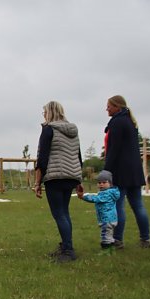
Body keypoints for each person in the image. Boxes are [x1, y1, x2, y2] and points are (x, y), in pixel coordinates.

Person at [34, 101, 83, 263]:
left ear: (50, 112)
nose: (43, 115)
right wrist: (79, 179)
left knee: (59, 213)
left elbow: (42, 158)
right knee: (64, 212)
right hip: (71, 175)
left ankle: (68, 251)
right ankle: (66, 246)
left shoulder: (49, 129)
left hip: (55, 176)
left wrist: (37, 183)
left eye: (44, 112)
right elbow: (78, 156)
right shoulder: (73, 130)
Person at [103, 95, 150, 249]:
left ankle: (117, 240)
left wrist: (106, 170)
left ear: (118, 107)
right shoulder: (130, 122)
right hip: (134, 170)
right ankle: (145, 239)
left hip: (121, 171)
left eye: (109, 106)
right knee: (138, 205)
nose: (107, 109)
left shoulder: (117, 122)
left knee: (118, 205)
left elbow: (114, 149)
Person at [77, 170, 119, 254]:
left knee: (105, 236)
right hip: (112, 218)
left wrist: (83, 197)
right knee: (109, 235)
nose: (101, 184)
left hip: (106, 219)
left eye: (104, 182)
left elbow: (95, 198)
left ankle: (106, 251)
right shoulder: (111, 192)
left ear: (110, 183)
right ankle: (112, 249)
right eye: (99, 182)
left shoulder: (106, 193)